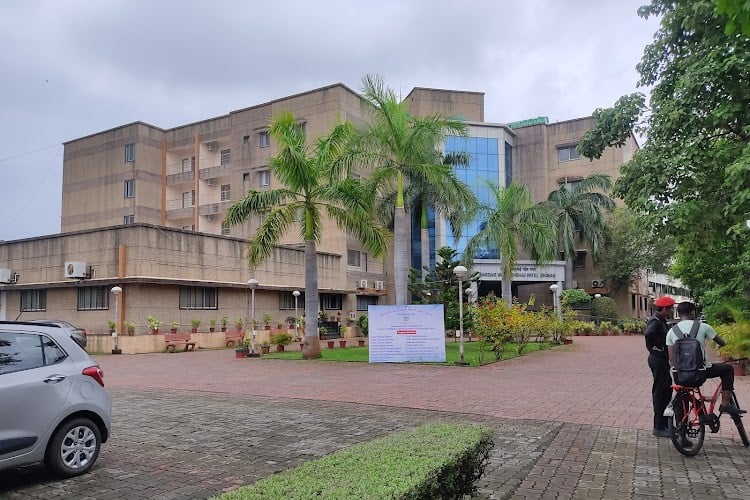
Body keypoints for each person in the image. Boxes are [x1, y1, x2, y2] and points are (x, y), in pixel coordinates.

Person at [666, 301, 743, 415]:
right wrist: (726, 343)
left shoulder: (671, 331)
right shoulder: (703, 327)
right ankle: (725, 404)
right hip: (701, 373)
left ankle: (681, 425)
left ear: (679, 313)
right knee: (728, 369)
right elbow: (721, 342)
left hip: (680, 376)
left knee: (682, 391)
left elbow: (671, 359)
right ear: (692, 312)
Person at [644, 296, 675, 437]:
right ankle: (659, 427)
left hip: (661, 359)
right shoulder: (655, 321)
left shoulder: (661, 320)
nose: (671, 311)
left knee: (666, 390)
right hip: (657, 359)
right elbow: (649, 334)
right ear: (664, 309)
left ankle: (665, 424)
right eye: (670, 309)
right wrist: (656, 347)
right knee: (660, 392)